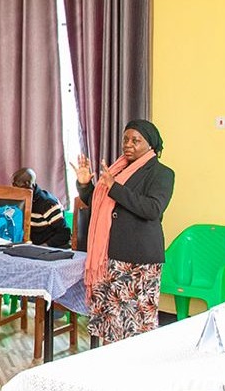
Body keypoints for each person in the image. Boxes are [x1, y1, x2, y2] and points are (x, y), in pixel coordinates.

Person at [74, 119, 174, 343]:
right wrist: (85, 185)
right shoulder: (118, 170)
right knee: (110, 321)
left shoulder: (162, 173)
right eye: (125, 139)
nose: (128, 144)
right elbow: (99, 205)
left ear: (150, 144)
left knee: (135, 324)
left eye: (135, 140)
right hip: (109, 257)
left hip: (138, 260)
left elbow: (152, 209)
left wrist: (114, 187)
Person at [11, 168, 71, 248]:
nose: (13, 188)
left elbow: (64, 233)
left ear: (28, 184)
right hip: (29, 246)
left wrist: (43, 247)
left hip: (48, 248)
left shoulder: (47, 203)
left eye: (16, 185)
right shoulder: (20, 200)